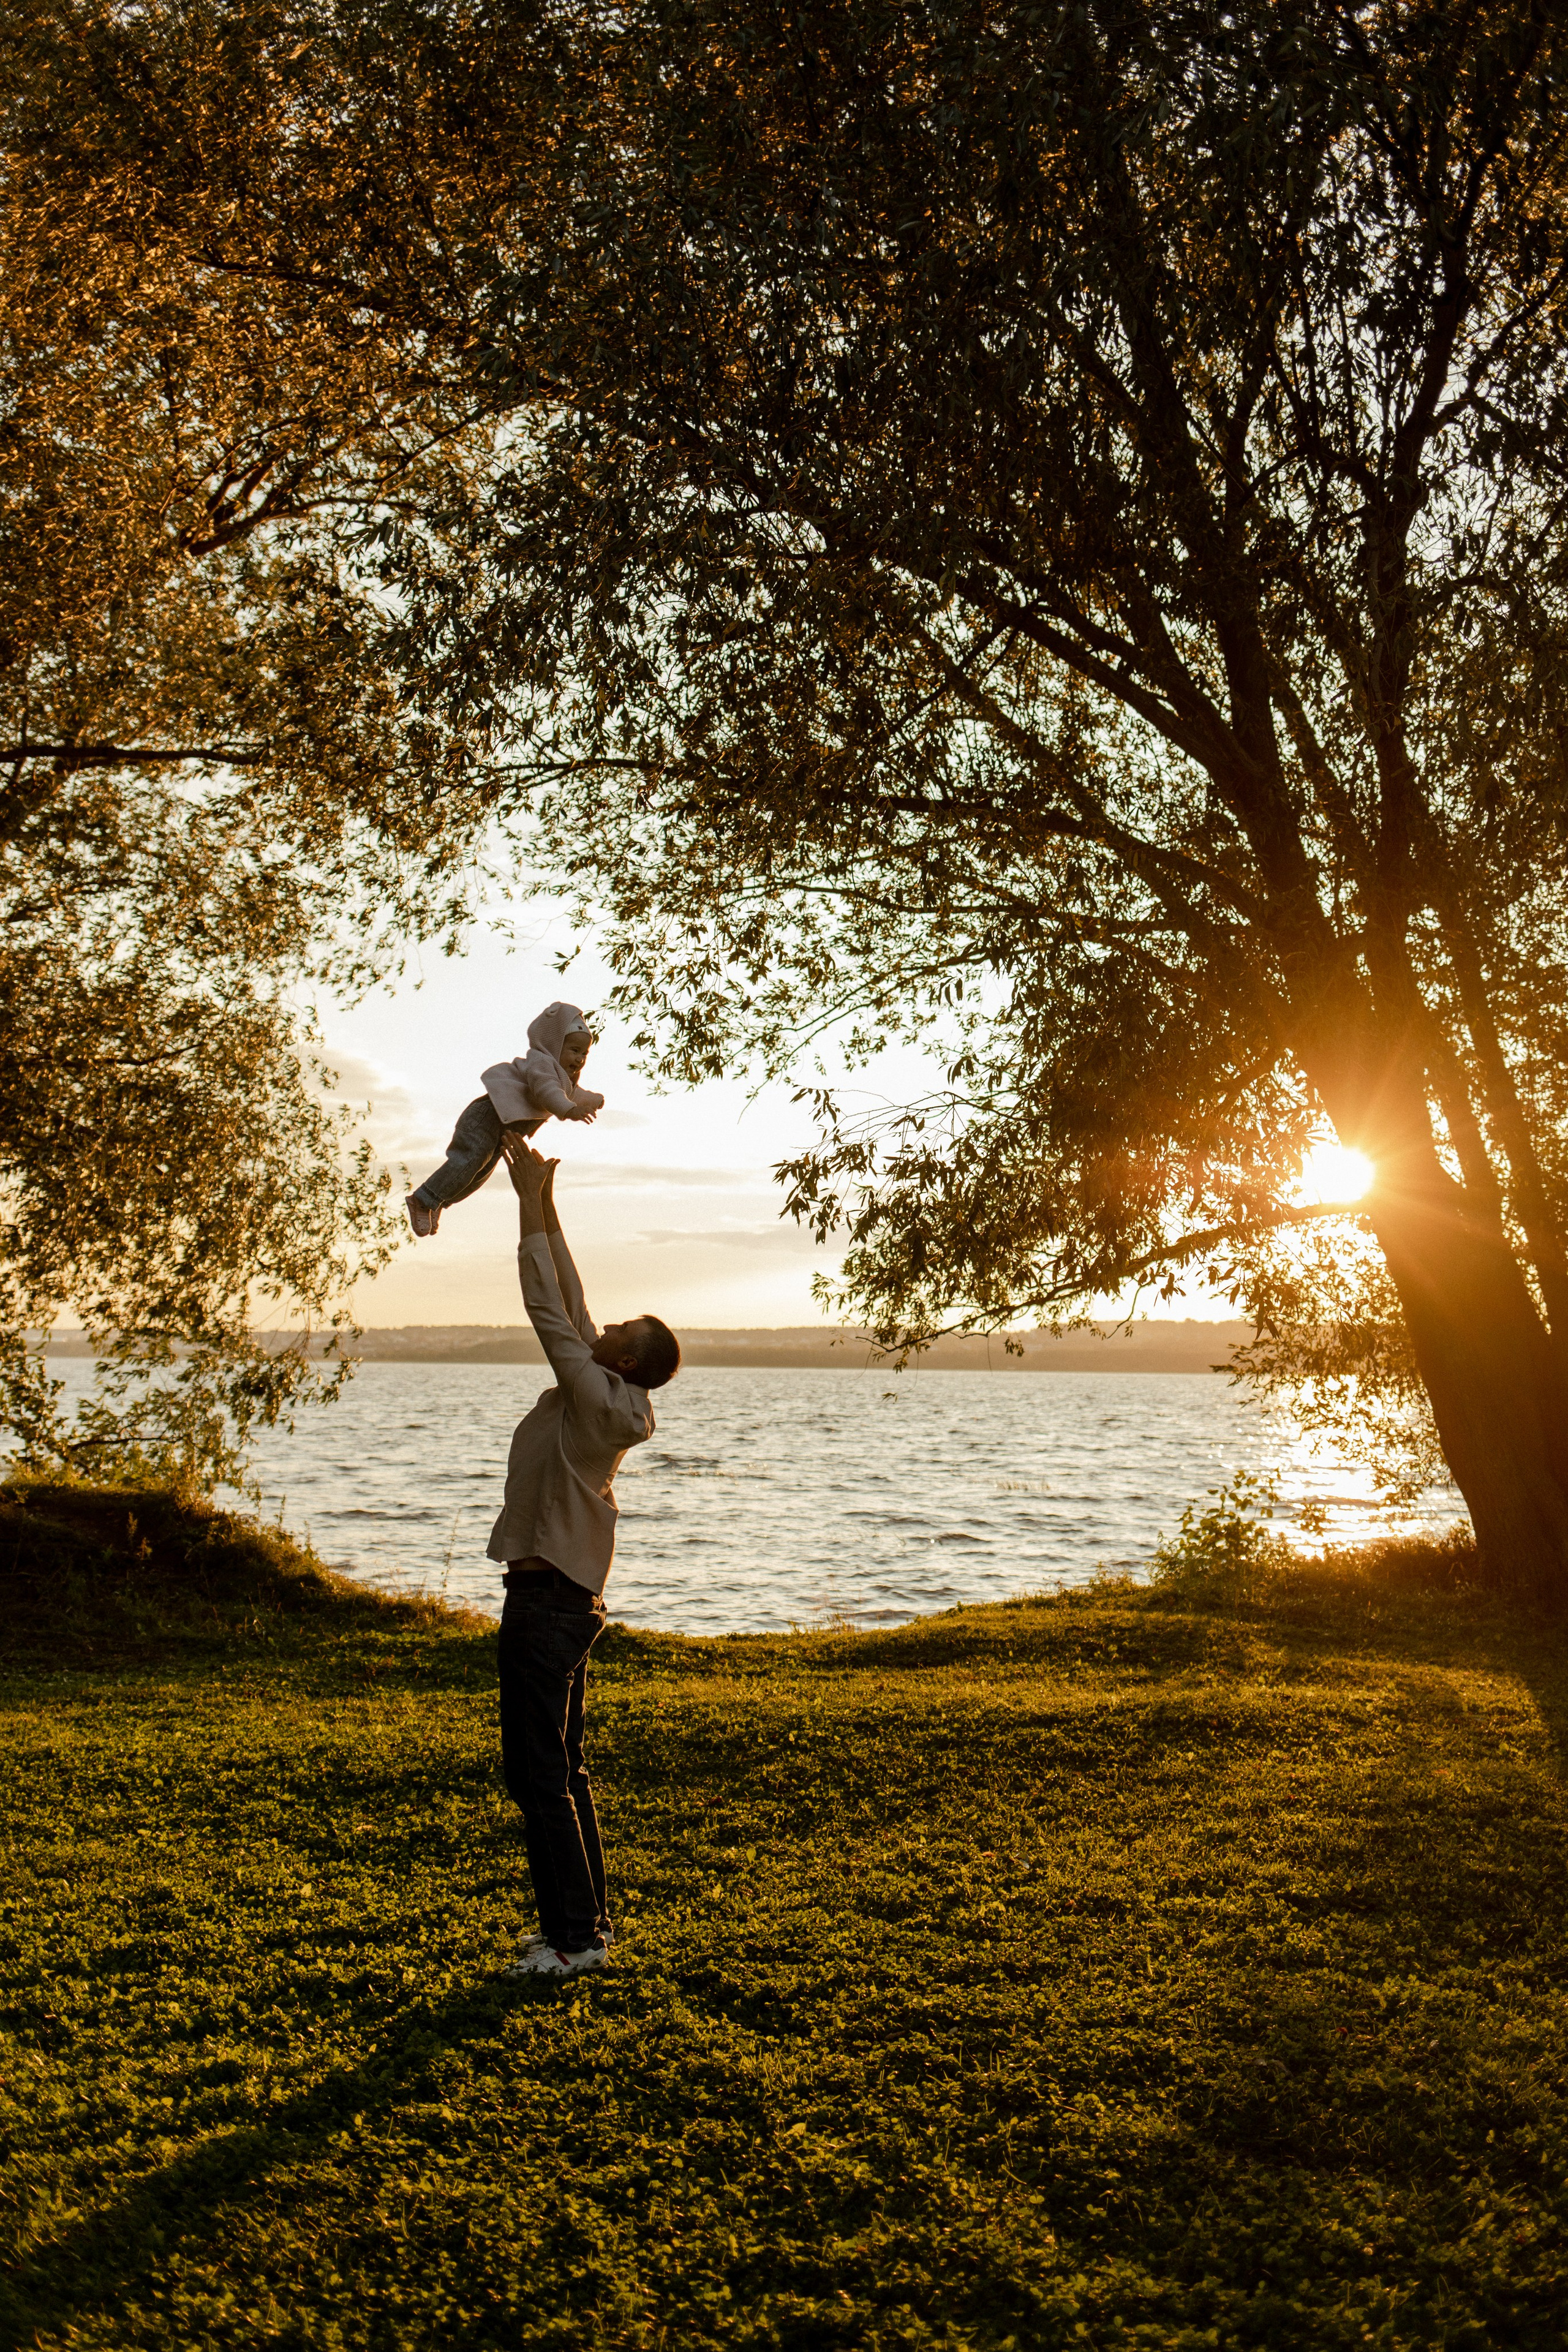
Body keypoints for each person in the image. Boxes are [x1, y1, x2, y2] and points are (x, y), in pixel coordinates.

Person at [490, 1137, 680, 1978]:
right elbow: (570, 1300)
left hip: (546, 1606)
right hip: (563, 1602)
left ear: (626, 1358)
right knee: (562, 1770)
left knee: (539, 1776)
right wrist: (541, 1197)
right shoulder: (610, 1390)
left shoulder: (597, 1396)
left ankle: (573, 1942)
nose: (601, 1326)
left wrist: (528, 1211)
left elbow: (546, 1310)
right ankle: (585, 1928)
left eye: (617, 1330)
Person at [405, 1001, 605, 1238]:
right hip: (486, 1119)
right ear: (554, 1045)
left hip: (499, 1132)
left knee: (479, 1174)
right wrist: (569, 1110)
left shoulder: (563, 1079)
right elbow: (546, 1091)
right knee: (469, 1162)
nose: (580, 1058)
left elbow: (573, 1094)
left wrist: (594, 1100)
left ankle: (438, 1201)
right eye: (574, 1050)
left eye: (585, 1053)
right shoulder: (541, 1064)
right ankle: (424, 1199)